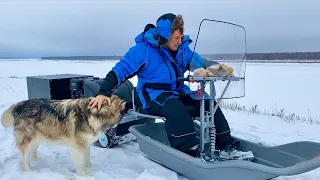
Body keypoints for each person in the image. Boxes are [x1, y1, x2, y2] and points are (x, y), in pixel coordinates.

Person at [88, 13, 253, 160]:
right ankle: (188, 150)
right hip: (153, 95)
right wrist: (103, 92)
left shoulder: (182, 50)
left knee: (207, 102)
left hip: (177, 91)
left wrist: (222, 70)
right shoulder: (143, 50)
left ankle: (225, 144)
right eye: (176, 38)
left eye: (181, 37)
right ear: (166, 36)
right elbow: (120, 70)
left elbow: (202, 64)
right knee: (175, 108)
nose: (180, 41)